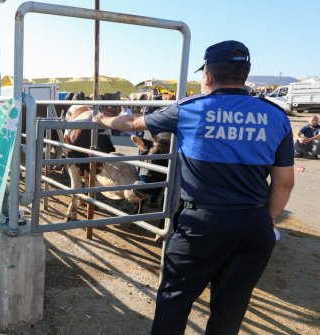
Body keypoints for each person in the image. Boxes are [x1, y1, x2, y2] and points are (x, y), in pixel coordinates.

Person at [93, 40, 295, 335]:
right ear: (245, 73)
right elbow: (285, 182)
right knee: (230, 308)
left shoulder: (190, 109)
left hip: (201, 226)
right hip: (253, 224)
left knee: (174, 301)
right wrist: (266, 221)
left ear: (209, 77)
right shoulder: (276, 116)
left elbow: (133, 123)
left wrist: (103, 117)